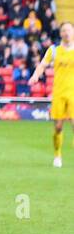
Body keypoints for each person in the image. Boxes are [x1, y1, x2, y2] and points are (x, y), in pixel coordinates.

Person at [28, 21, 74, 168]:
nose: (66, 33)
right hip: (59, 93)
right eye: (64, 31)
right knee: (58, 127)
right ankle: (57, 155)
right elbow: (42, 64)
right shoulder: (54, 50)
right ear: (60, 33)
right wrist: (35, 76)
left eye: (69, 30)